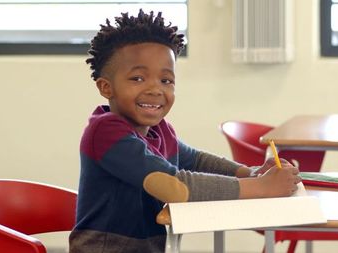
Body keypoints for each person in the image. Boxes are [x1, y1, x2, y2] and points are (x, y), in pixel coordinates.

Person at [69, 9, 301, 253]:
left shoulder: (158, 130)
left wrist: (250, 173)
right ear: (106, 87)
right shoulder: (105, 131)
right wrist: (262, 188)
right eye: (137, 78)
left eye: (166, 80)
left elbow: (197, 160)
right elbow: (174, 186)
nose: (155, 89)